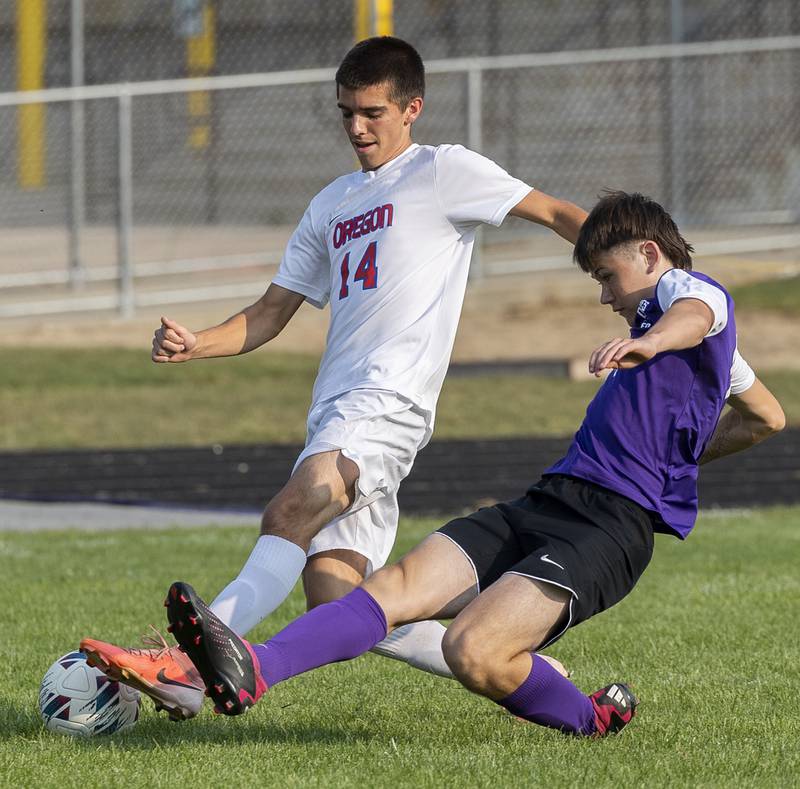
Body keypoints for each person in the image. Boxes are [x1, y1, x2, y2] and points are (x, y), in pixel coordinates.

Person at [80, 36, 585, 720]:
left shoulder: (444, 172)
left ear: (412, 108)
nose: (356, 127)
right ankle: (517, 664)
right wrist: (197, 343)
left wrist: (645, 278)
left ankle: (185, 670)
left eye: (372, 112)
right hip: (336, 410)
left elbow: (555, 212)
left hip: (387, 404)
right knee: (337, 595)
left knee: (289, 510)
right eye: (346, 112)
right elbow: (269, 313)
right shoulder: (332, 203)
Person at [160, 191, 784, 737]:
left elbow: (694, 312)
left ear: (650, 255)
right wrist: (683, 449)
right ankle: (254, 668)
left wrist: (649, 343)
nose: (603, 297)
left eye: (607, 276)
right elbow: (767, 417)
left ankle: (590, 718)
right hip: (549, 499)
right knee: (392, 588)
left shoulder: (693, 299)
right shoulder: (709, 350)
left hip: (608, 531)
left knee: (472, 650)